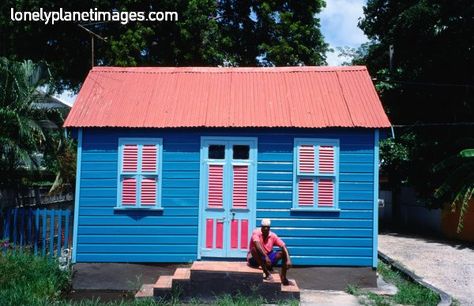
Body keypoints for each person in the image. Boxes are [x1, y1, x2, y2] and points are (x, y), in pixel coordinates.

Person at [247, 218, 293, 285]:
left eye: (267, 227)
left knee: (283, 253)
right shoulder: (256, 233)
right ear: (261, 228)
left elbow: (283, 246)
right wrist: (265, 256)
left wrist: (288, 259)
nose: (265, 229)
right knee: (254, 249)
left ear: (269, 228)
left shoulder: (273, 235)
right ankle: (267, 273)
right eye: (264, 227)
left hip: (267, 258)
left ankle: (283, 277)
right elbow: (257, 245)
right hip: (254, 259)